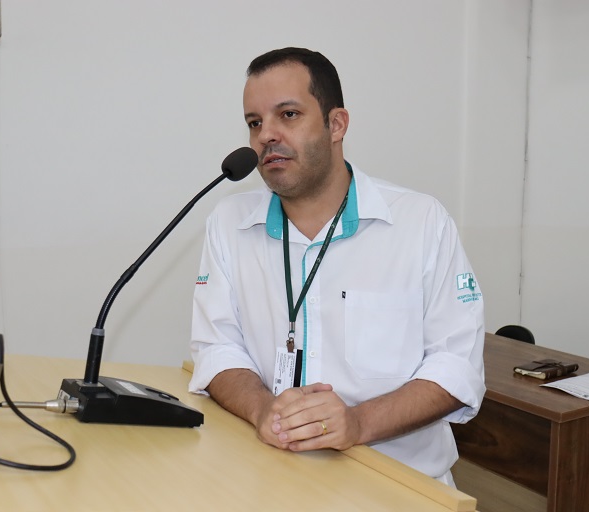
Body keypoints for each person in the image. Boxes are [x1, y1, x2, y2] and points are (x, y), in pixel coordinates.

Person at [188, 47, 485, 485]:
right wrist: (262, 409)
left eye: (288, 115)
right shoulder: (229, 223)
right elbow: (217, 348)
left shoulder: (421, 222)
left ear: (337, 124)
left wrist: (359, 423)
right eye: (254, 122)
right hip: (270, 474)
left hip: (397, 484)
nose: (266, 135)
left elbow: (456, 366)